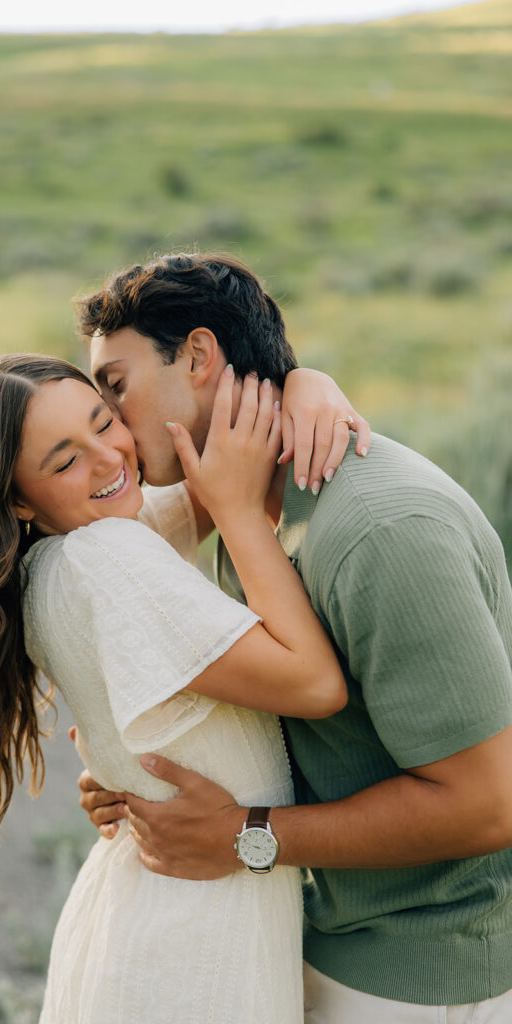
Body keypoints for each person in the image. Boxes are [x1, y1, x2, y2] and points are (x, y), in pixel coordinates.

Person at [76, 252, 512, 1022]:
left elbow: (487, 805)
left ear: (201, 356)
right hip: (331, 939)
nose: (109, 428)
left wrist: (241, 837)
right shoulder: (239, 501)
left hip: (426, 975)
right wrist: (136, 776)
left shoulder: (381, 531)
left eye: (115, 387)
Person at [0, 351, 368, 1022]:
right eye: (64, 461)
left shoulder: (69, 553)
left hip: (150, 917)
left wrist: (303, 382)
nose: (109, 458)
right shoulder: (111, 558)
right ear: (20, 499)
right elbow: (316, 685)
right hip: (195, 947)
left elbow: (208, 465)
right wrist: (236, 506)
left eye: (103, 421)